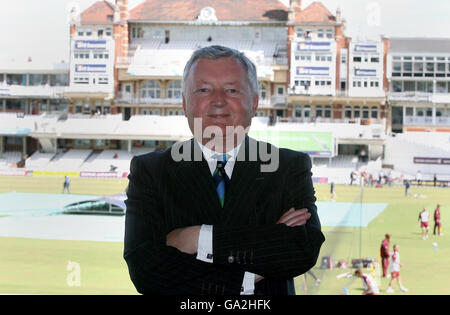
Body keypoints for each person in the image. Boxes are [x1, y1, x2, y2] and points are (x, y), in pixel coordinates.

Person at [123, 45, 325, 295]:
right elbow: (146, 271)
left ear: (254, 104)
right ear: (185, 103)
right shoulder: (150, 171)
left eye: (232, 90)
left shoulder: (288, 167)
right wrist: (250, 272)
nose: (218, 101)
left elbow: (301, 249)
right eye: (204, 90)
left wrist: (200, 238)